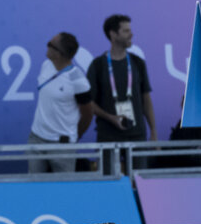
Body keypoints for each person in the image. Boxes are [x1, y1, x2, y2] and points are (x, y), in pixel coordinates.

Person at [86, 14, 157, 172]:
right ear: (113, 34)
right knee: (109, 182)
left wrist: (153, 130)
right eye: (126, 31)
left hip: (137, 135)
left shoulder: (138, 62)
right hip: (108, 136)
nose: (131, 34)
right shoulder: (98, 65)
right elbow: (89, 103)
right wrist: (110, 118)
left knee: (139, 181)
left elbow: (146, 99)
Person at [29, 32, 93, 174]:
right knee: (33, 187)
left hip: (62, 144)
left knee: (63, 189)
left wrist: (73, 137)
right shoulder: (46, 65)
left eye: (50, 45)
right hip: (37, 138)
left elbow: (88, 114)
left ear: (60, 53)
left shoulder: (78, 81)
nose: (47, 46)